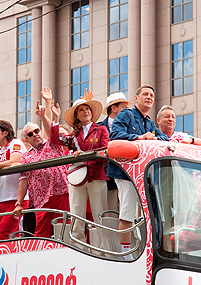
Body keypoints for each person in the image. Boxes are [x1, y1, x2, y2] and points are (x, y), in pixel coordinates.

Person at [108, 85, 169, 259]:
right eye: (145, 94)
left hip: (142, 175)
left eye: (152, 95)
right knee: (127, 214)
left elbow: (165, 138)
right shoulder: (125, 114)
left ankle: (142, 251)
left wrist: (155, 137)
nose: (149, 97)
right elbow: (115, 134)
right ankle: (125, 254)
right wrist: (139, 137)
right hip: (125, 173)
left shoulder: (149, 122)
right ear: (136, 99)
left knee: (144, 215)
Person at [13, 97, 70, 238]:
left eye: (37, 131)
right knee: (42, 234)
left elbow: (52, 133)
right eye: (30, 134)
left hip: (61, 193)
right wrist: (19, 203)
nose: (35, 135)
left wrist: (44, 116)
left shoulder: (52, 143)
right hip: (41, 199)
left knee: (64, 229)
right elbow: (23, 180)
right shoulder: (26, 157)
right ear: (26, 139)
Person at [62, 93, 109, 248]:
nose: (85, 111)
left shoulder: (101, 129)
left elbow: (105, 150)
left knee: (100, 216)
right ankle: (78, 250)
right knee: (76, 216)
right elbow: (57, 140)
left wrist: (84, 155)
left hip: (96, 176)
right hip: (77, 178)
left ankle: (104, 253)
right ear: (77, 115)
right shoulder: (72, 135)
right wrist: (53, 117)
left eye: (87, 108)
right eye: (81, 110)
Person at [99, 92, 132, 213]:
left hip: (128, 175)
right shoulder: (98, 128)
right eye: (124, 107)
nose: (127, 111)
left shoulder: (133, 126)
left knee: (129, 214)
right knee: (111, 214)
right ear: (113, 108)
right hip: (108, 180)